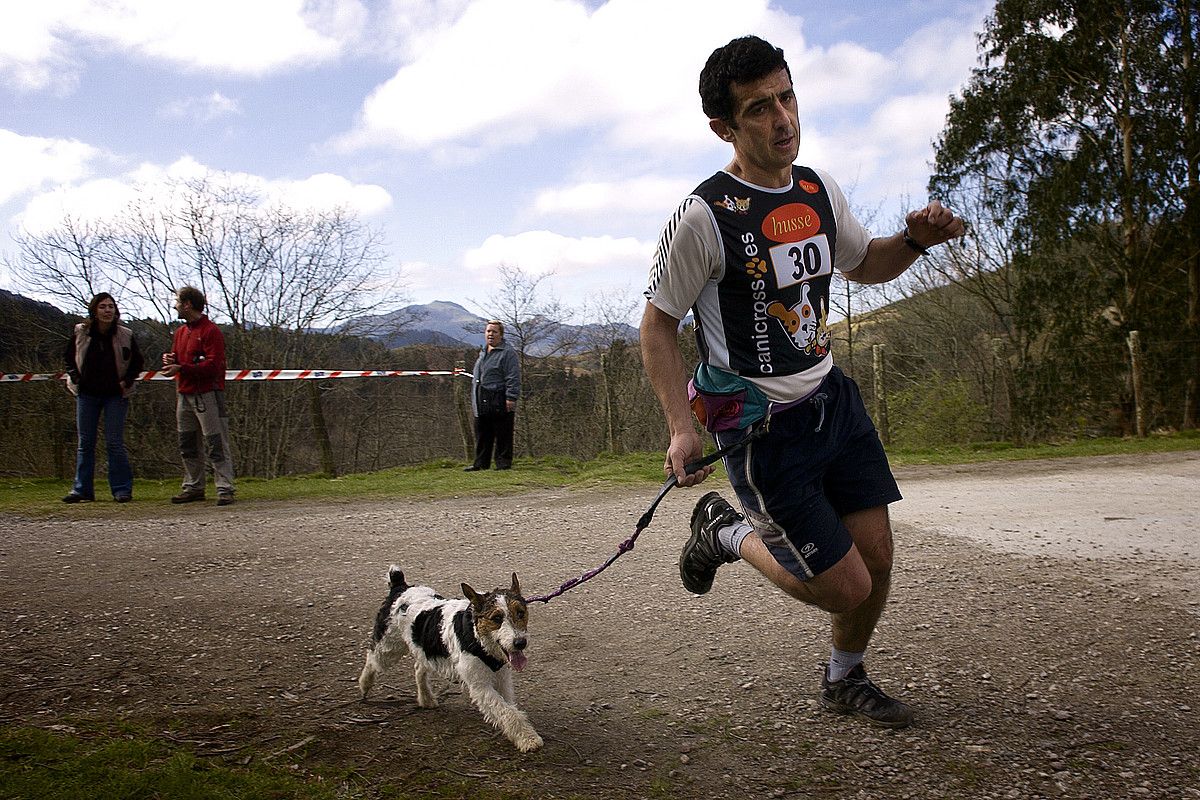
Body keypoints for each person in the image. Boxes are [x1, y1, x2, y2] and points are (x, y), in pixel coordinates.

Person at [640, 35, 965, 729]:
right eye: (759, 108)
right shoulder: (704, 215)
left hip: (833, 402)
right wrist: (679, 426)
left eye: (788, 97)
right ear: (723, 127)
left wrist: (912, 242)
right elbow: (657, 327)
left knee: (876, 557)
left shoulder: (816, 187)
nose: (783, 118)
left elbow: (864, 264)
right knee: (844, 586)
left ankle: (844, 679)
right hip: (765, 431)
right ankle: (725, 532)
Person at [62, 292, 144, 503]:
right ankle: (82, 489)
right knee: (85, 443)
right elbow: (68, 358)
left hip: (115, 396)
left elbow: (137, 363)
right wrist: (76, 378)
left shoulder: (126, 334)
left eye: (111, 306)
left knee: (114, 442)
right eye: (103, 307)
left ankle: (121, 489)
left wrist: (126, 381)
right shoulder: (81, 332)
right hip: (87, 394)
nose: (107, 310)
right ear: (94, 310)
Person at [160, 286, 236, 506]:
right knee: (188, 443)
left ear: (187, 304)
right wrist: (170, 361)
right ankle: (193, 486)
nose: (174, 305)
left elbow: (213, 366)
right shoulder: (181, 333)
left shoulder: (211, 331)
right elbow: (179, 360)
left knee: (216, 442)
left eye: (177, 301)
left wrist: (181, 368)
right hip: (183, 394)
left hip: (208, 394)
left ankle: (225, 488)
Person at [465, 320, 521, 471]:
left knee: (503, 432)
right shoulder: (483, 352)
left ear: (501, 335)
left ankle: (503, 463)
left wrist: (511, 397)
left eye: (494, 332)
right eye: (488, 331)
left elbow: (513, 376)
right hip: (481, 398)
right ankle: (481, 464)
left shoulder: (508, 353)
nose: (491, 334)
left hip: (499, 398)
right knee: (483, 433)